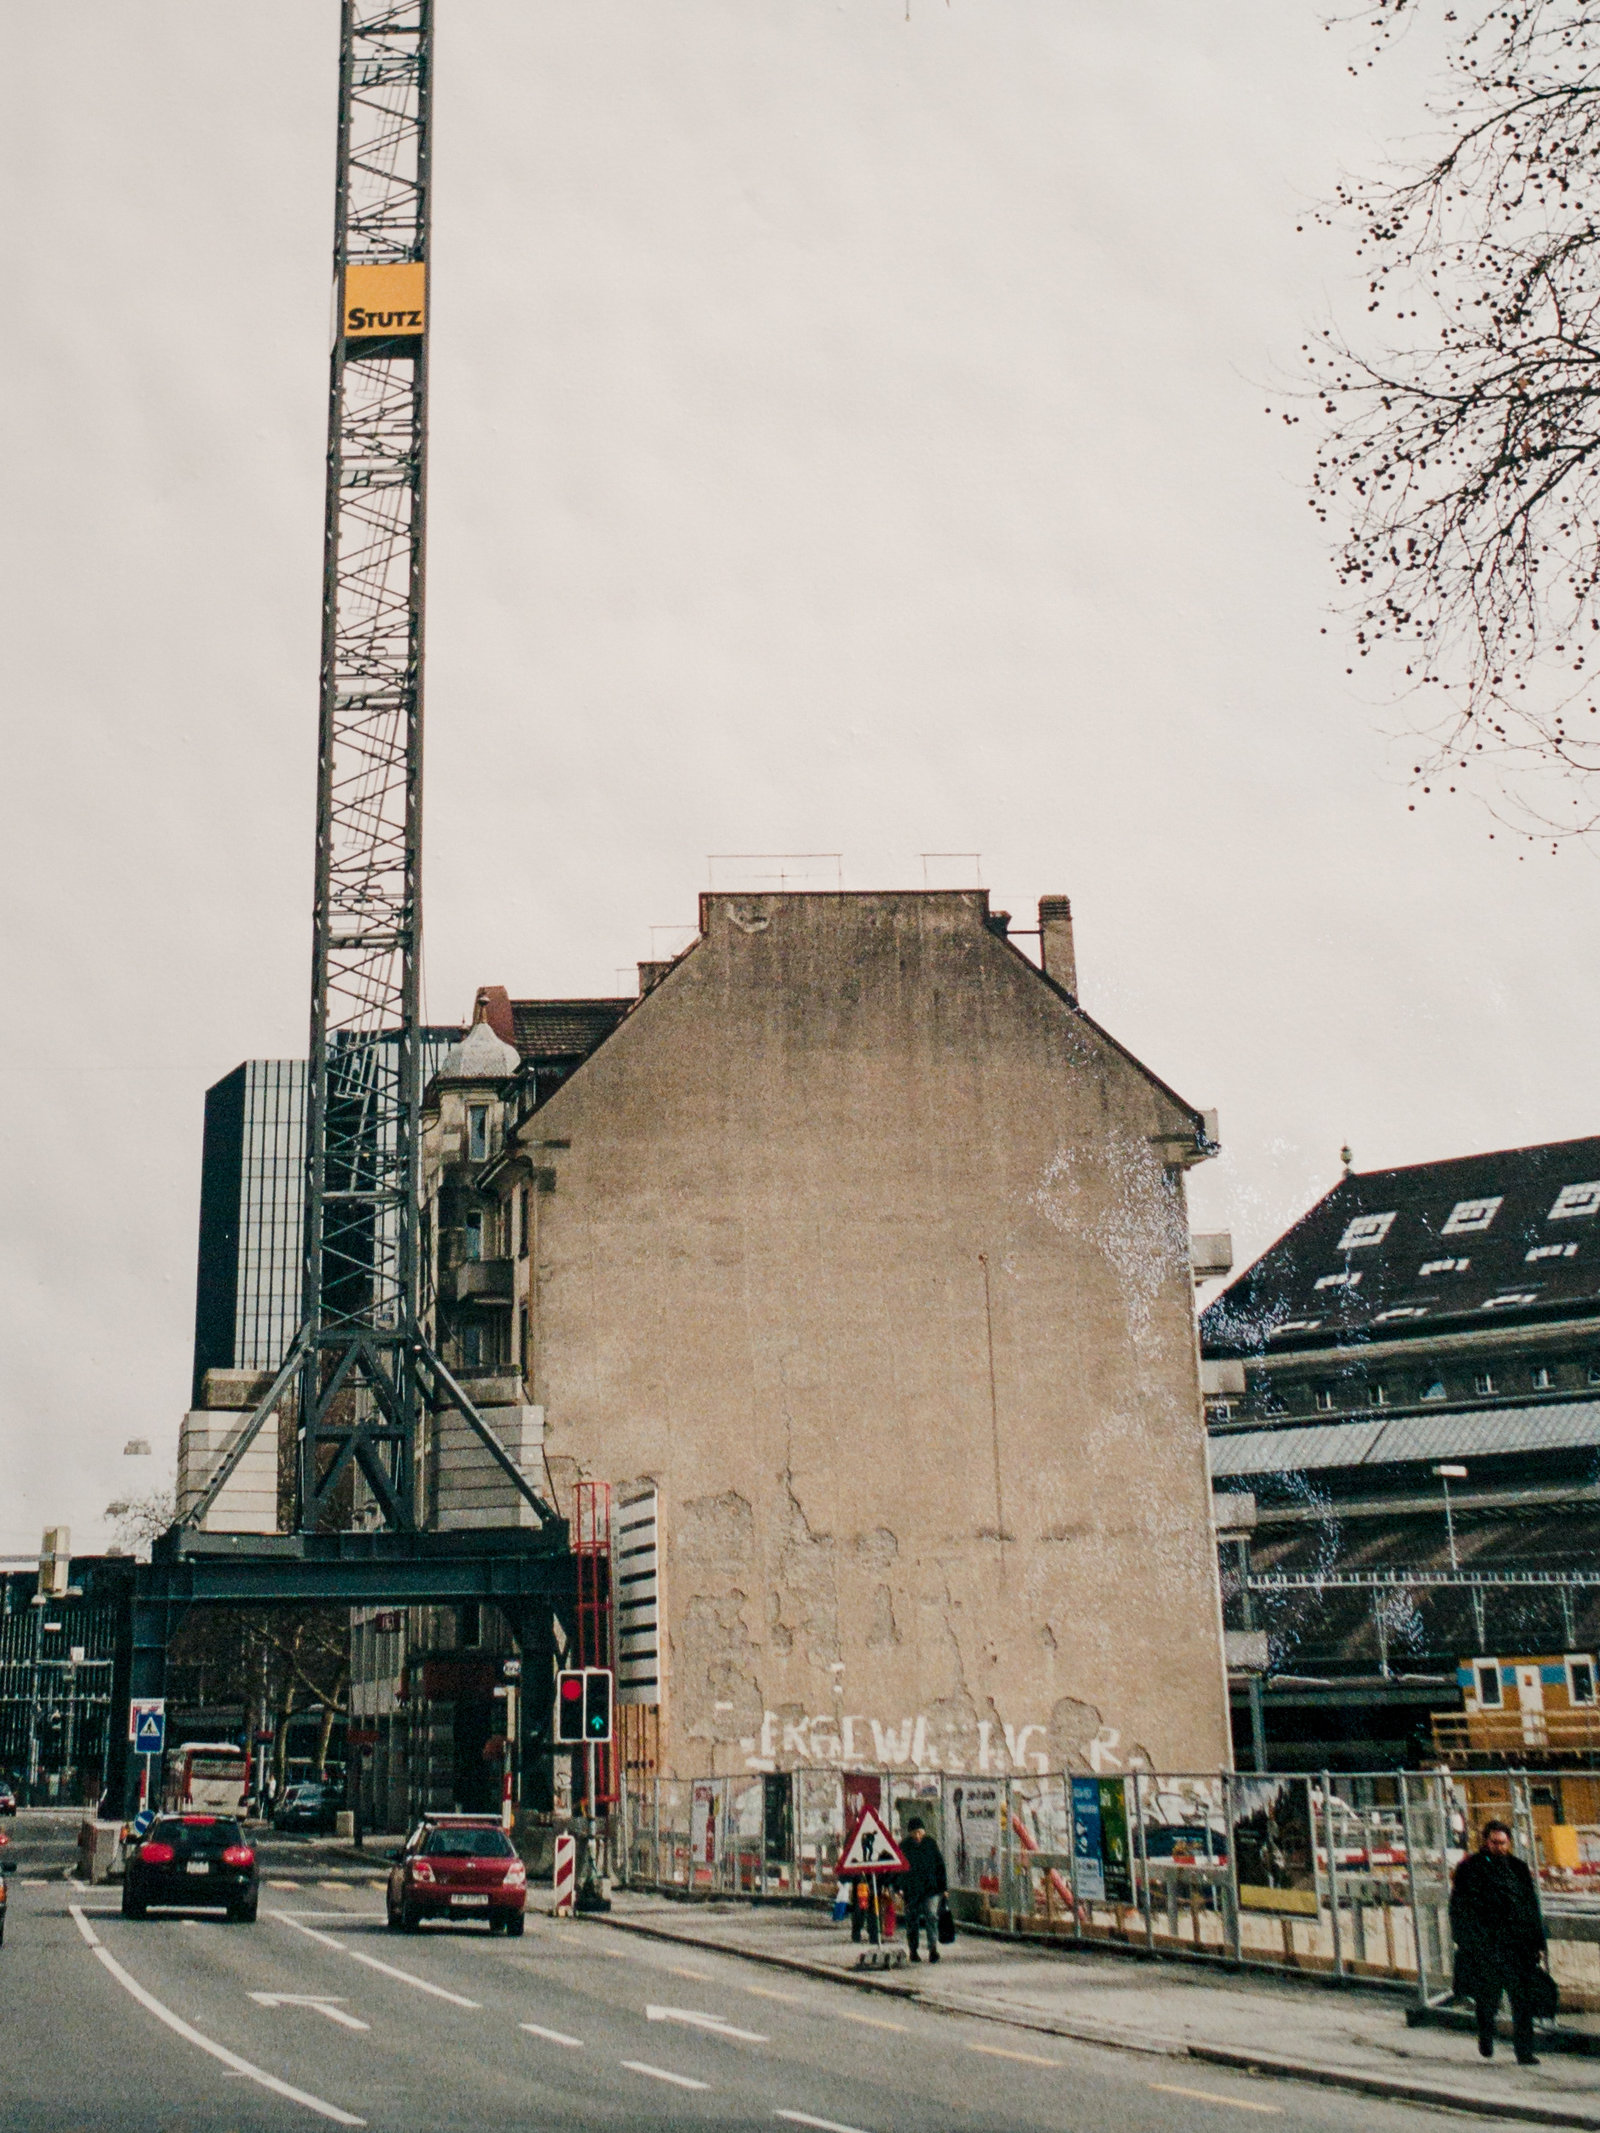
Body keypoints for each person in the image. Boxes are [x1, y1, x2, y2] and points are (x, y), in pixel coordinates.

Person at [1450, 1820, 1548, 2065]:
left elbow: (1530, 1906)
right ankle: (1486, 2034)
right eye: (1494, 1842)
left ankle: (1524, 2052)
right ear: (1486, 1841)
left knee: (1522, 2001)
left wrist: (1537, 1943)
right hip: (1487, 1946)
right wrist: (1468, 1941)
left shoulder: (1518, 1868)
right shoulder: (1470, 1868)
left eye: (1503, 1843)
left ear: (1509, 1843)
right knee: (1487, 1999)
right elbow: (1458, 1908)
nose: (1499, 1847)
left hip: (1517, 1947)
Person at [900, 1816, 949, 1964]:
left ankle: (933, 1949)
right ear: (910, 1833)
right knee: (912, 1920)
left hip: (931, 1889)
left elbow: (940, 1866)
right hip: (911, 1891)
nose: (918, 1835)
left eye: (920, 1832)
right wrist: (898, 1888)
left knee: (932, 1916)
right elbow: (898, 1869)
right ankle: (913, 1950)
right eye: (914, 1833)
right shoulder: (904, 1846)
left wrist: (943, 1888)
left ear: (924, 1831)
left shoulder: (930, 1844)